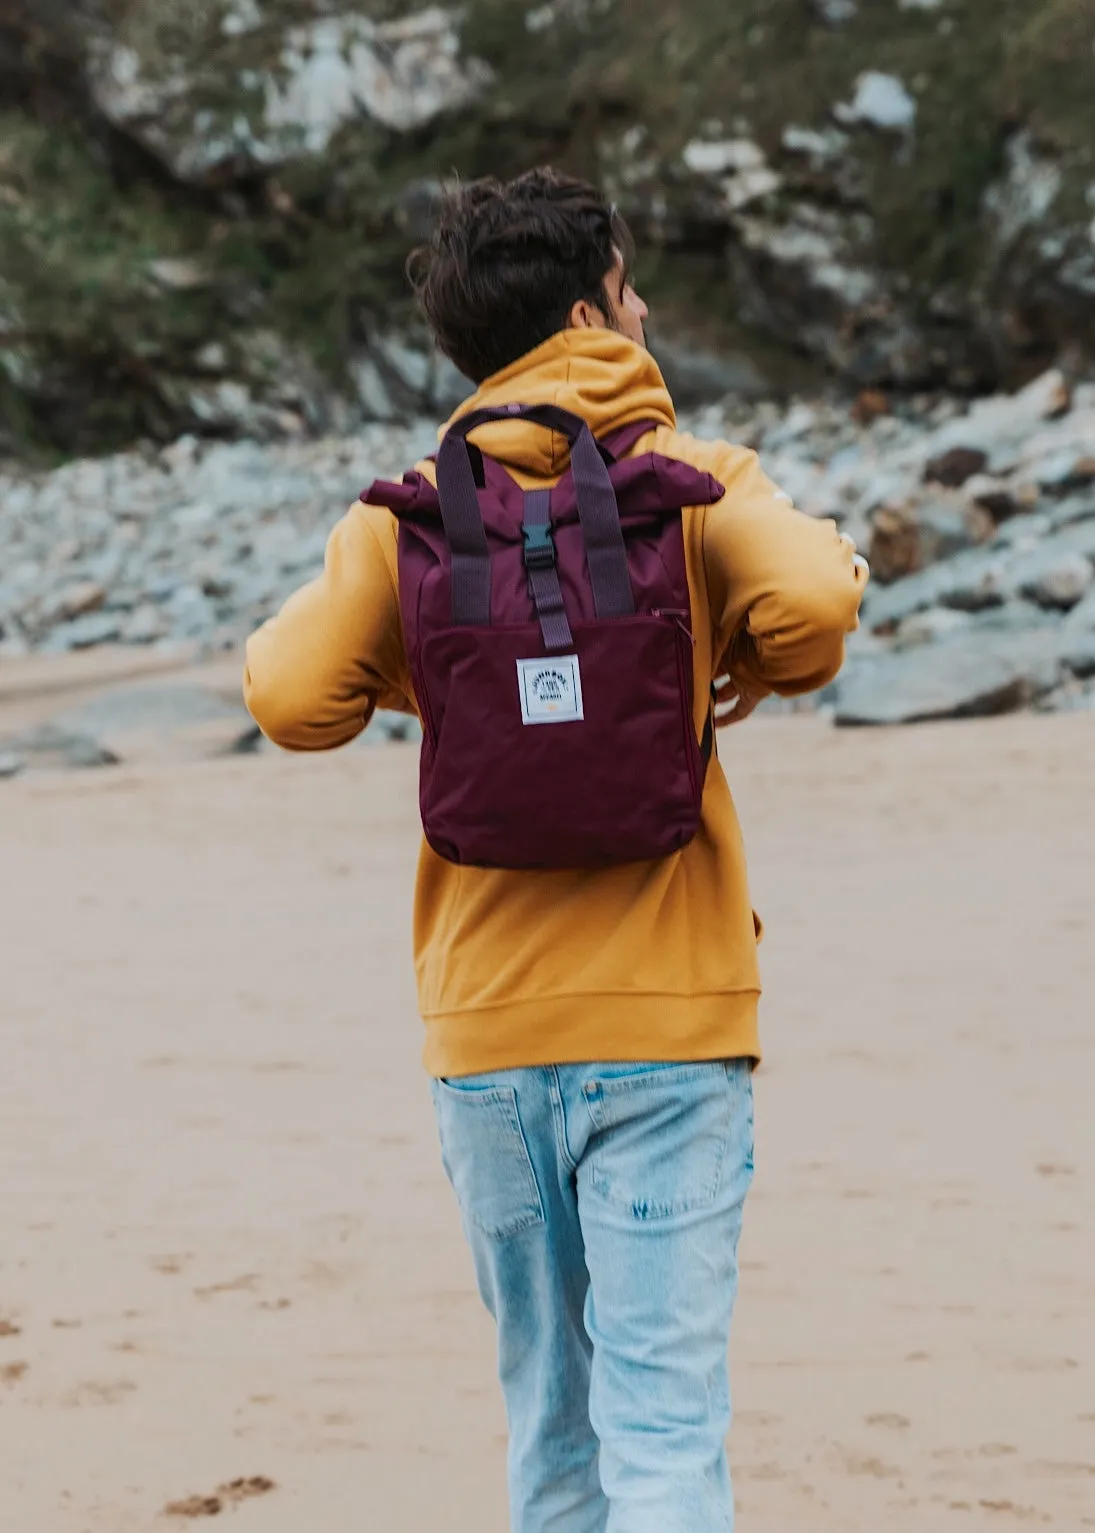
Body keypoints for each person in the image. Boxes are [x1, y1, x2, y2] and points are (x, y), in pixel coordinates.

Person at [243, 167, 868, 1533]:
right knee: (662, 1425)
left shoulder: (408, 514)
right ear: (594, 312)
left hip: (489, 1037)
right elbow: (818, 605)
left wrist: (437, 679)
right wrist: (727, 665)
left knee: (554, 1424)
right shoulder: (688, 482)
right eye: (632, 288)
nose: (642, 311)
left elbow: (288, 699)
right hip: (672, 1030)